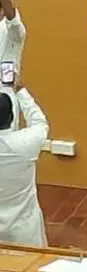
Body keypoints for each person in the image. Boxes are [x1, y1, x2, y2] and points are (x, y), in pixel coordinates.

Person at [0, 74, 47, 247]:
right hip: (24, 232)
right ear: (12, 117)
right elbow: (40, 122)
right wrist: (20, 90)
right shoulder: (25, 144)